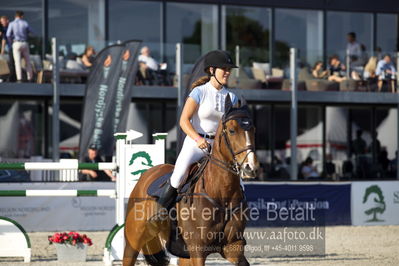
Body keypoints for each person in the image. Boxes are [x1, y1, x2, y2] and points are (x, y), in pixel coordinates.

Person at [156, 50, 239, 212]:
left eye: (230, 69)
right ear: (212, 70)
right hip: (196, 143)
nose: (228, 72)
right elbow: (183, 120)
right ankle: (159, 214)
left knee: (239, 180)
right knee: (178, 176)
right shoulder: (199, 92)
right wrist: (198, 139)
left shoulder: (232, 97)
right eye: (224, 69)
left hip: (219, 147)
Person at [6, 11, 33, 82]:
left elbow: (8, 35)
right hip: (24, 43)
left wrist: (11, 43)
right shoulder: (25, 23)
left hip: (16, 43)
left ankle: (19, 79)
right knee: (27, 61)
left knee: (17, 62)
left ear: (16, 16)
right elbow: (31, 31)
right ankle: (29, 78)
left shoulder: (12, 23)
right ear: (22, 16)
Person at [0, 15, 16, 82]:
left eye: (2, 21)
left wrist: (3, 49)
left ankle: (12, 77)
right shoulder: (3, 29)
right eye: (1, 22)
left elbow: (5, 39)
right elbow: (3, 39)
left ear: (7, 21)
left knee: (12, 63)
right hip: (8, 47)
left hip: (12, 47)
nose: (1, 23)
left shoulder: (11, 27)